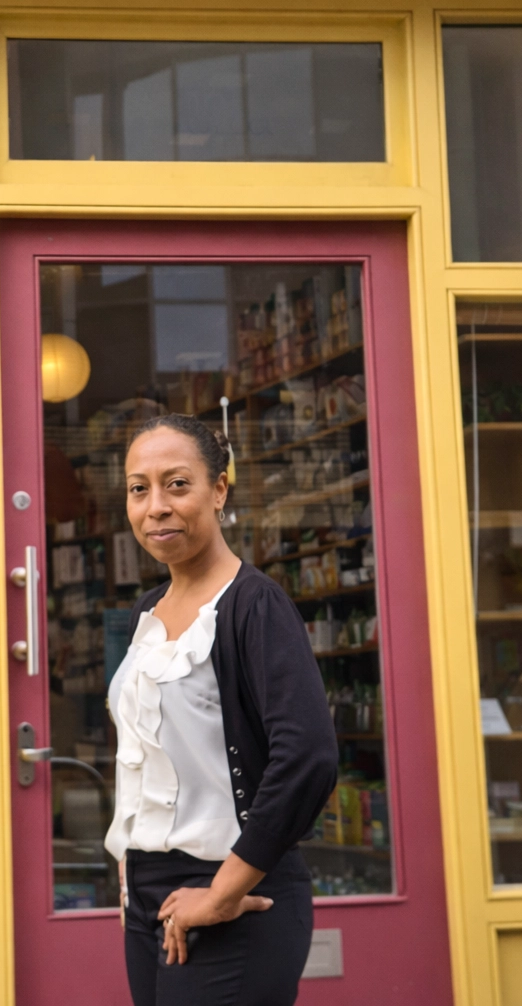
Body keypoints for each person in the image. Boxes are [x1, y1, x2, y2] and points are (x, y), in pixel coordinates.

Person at [109, 413, 339, 1006]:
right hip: (148, 895)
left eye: (177, 484)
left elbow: (308, 756)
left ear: (219, 490)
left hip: (234, 892)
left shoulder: (254, 606)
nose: (156, 505)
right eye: (139, 488)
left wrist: (222, 892)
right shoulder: (146, 611)